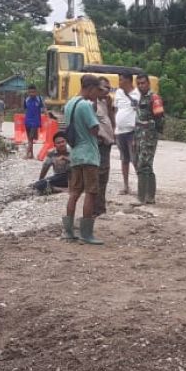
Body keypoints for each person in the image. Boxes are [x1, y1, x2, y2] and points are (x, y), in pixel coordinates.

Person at [62, 74, 105, 245]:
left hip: (75, 154)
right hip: (89, 154)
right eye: (97, 90)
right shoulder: (86, 105)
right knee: (91, 192)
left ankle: (69, 231)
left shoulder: (69, 104)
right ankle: (86, 233)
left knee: (74, 193)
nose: (97, 94)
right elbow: (94, 129)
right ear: (90, 88)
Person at [132, 73, 164, 205]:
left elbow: (160, 117)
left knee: (143, 164)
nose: (141, 86)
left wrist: (154, 132)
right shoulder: (140, 98)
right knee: (143, 165)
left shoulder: (154, 97)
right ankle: (149, 196)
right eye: (138, 83)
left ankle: (142, 197)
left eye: (143, 83)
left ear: (148, 83)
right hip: (139, 135)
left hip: (148, 136)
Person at [113, 74, 140, 194]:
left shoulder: (137, 94)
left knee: (135, 159)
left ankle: (141, 186)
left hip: (132, 131)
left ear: (129, 81)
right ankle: (126, 186)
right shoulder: (118, 92)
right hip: (120, 131)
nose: (119, 82)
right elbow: (115, 109)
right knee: (124, 159)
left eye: (121, 79)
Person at [94, 77, 116, 217]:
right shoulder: (92, 103)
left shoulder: (105, 102)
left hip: (107, 143)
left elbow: (112, 122)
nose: (107, 91)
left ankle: (100, 207)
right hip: (100, 143)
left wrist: (110, 107)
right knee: (99, 177)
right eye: (104, 88)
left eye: (109, 88)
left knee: (104, 177)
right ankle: (97, 209)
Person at [23, 85, 46, 159]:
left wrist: (48, 115)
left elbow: (44, 108)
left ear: (36, 92)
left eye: (33, 92)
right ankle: (31, 154)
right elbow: (25, 109)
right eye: (30, 92)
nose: (31, 94)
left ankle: (27, 154)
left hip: (35, 122)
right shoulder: (26, 100)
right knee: (30, 139)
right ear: (28, 92)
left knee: (31, 137)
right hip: (27, 122)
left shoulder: (39, 99)